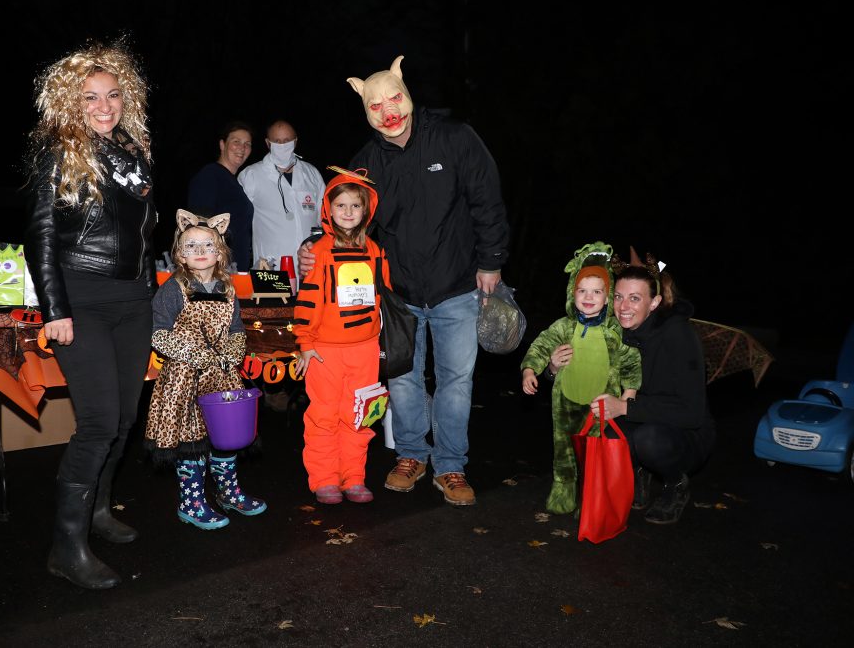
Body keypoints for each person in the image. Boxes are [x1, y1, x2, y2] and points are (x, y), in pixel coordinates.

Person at [299, 55, 510, 506]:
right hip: (397, 297)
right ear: (366, 110)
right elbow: (346, 216)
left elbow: (487, 200)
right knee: (402, 379)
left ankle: (451, 467)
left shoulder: (456, 139)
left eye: (394, 98)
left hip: (457, 286)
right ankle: (412, 455)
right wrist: (314, 247)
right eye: (375, 106)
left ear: (408, 95)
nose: (388, 111)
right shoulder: (367, 162)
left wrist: (491, 261)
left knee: (457, 381)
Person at [24, 41, 156, 590]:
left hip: (133, 299)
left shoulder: (133, 150)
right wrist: (55, 308)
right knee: (99, 422)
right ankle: (66, 546)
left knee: (124, 419)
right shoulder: (56, 150)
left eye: (112, 95)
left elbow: (143, 231)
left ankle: (99, 513)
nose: (104, 106)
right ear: (69, 102)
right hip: (82, 298)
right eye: (90, 97)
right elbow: (41, 233)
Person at [144, 210, 266, 530]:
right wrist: (193, 354)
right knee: (192, 441)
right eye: (191, 246)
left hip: (222, 376)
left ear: (220, 251)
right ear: (180, 254)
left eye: (207, 245)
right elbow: (158, 333)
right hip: (184, 378)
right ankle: (192, 502)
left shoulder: (227, 289)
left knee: (225, 437)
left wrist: (231, 353)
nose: (199, 252)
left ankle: (228, 493)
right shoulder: (172, 289)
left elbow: (238, 330)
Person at [586, 249, 715, 525]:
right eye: (619, 297)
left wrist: (624, 407)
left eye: (635, 298)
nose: (623, 307)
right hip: (640, 417)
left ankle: (675, 485)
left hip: (684, 434)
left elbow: (691, 413)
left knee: (649, 439)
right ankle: (637, 473)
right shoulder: (615, 332)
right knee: (603, 429)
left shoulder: (678, 335)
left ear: (654, 302)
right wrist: (553, 368)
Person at [519, 242, 641, 515]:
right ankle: (563, 493)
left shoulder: (615, 332)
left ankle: (590, 499)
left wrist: (628, 393)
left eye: (596, 291)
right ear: (571, 293)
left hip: (599, 408)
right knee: (563, 452)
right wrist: (530, 370)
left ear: (608, 297)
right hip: (564, 403)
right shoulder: (563, 326)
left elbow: (631, 361)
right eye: (582, 291)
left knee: (593, 456)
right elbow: (540, 345)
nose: (588, 297)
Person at [293, 168, 389, 505]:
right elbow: (308, 300)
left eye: (355, 206)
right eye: (341, 205)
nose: (348, 212)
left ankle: (354, 477)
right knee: (324, 414)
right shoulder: (319, 252)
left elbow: (384, 299)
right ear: (328, 210)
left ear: (366, 211)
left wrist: (383, 344)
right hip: (325, 352)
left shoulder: (376, 252)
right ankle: (324, 478)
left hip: (365, 350)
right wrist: (305, 343)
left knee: (360, 414)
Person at [238, 120, 326, 273]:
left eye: (286, 141)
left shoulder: (312, 174)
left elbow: (324, 218)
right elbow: (239, 221)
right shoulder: (251, 175)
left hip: (309, 266)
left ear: (296, 141)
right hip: (271, 267)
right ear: (268, 143)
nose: (282, 145)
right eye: (277, 141)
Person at [187, 121, 255, 271]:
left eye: (247, 144)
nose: (242, 148)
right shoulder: (210, 175)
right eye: (236, 141)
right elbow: (199, 226)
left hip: (235, 269)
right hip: (219, 271)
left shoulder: (233, 183)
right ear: (222, 145)